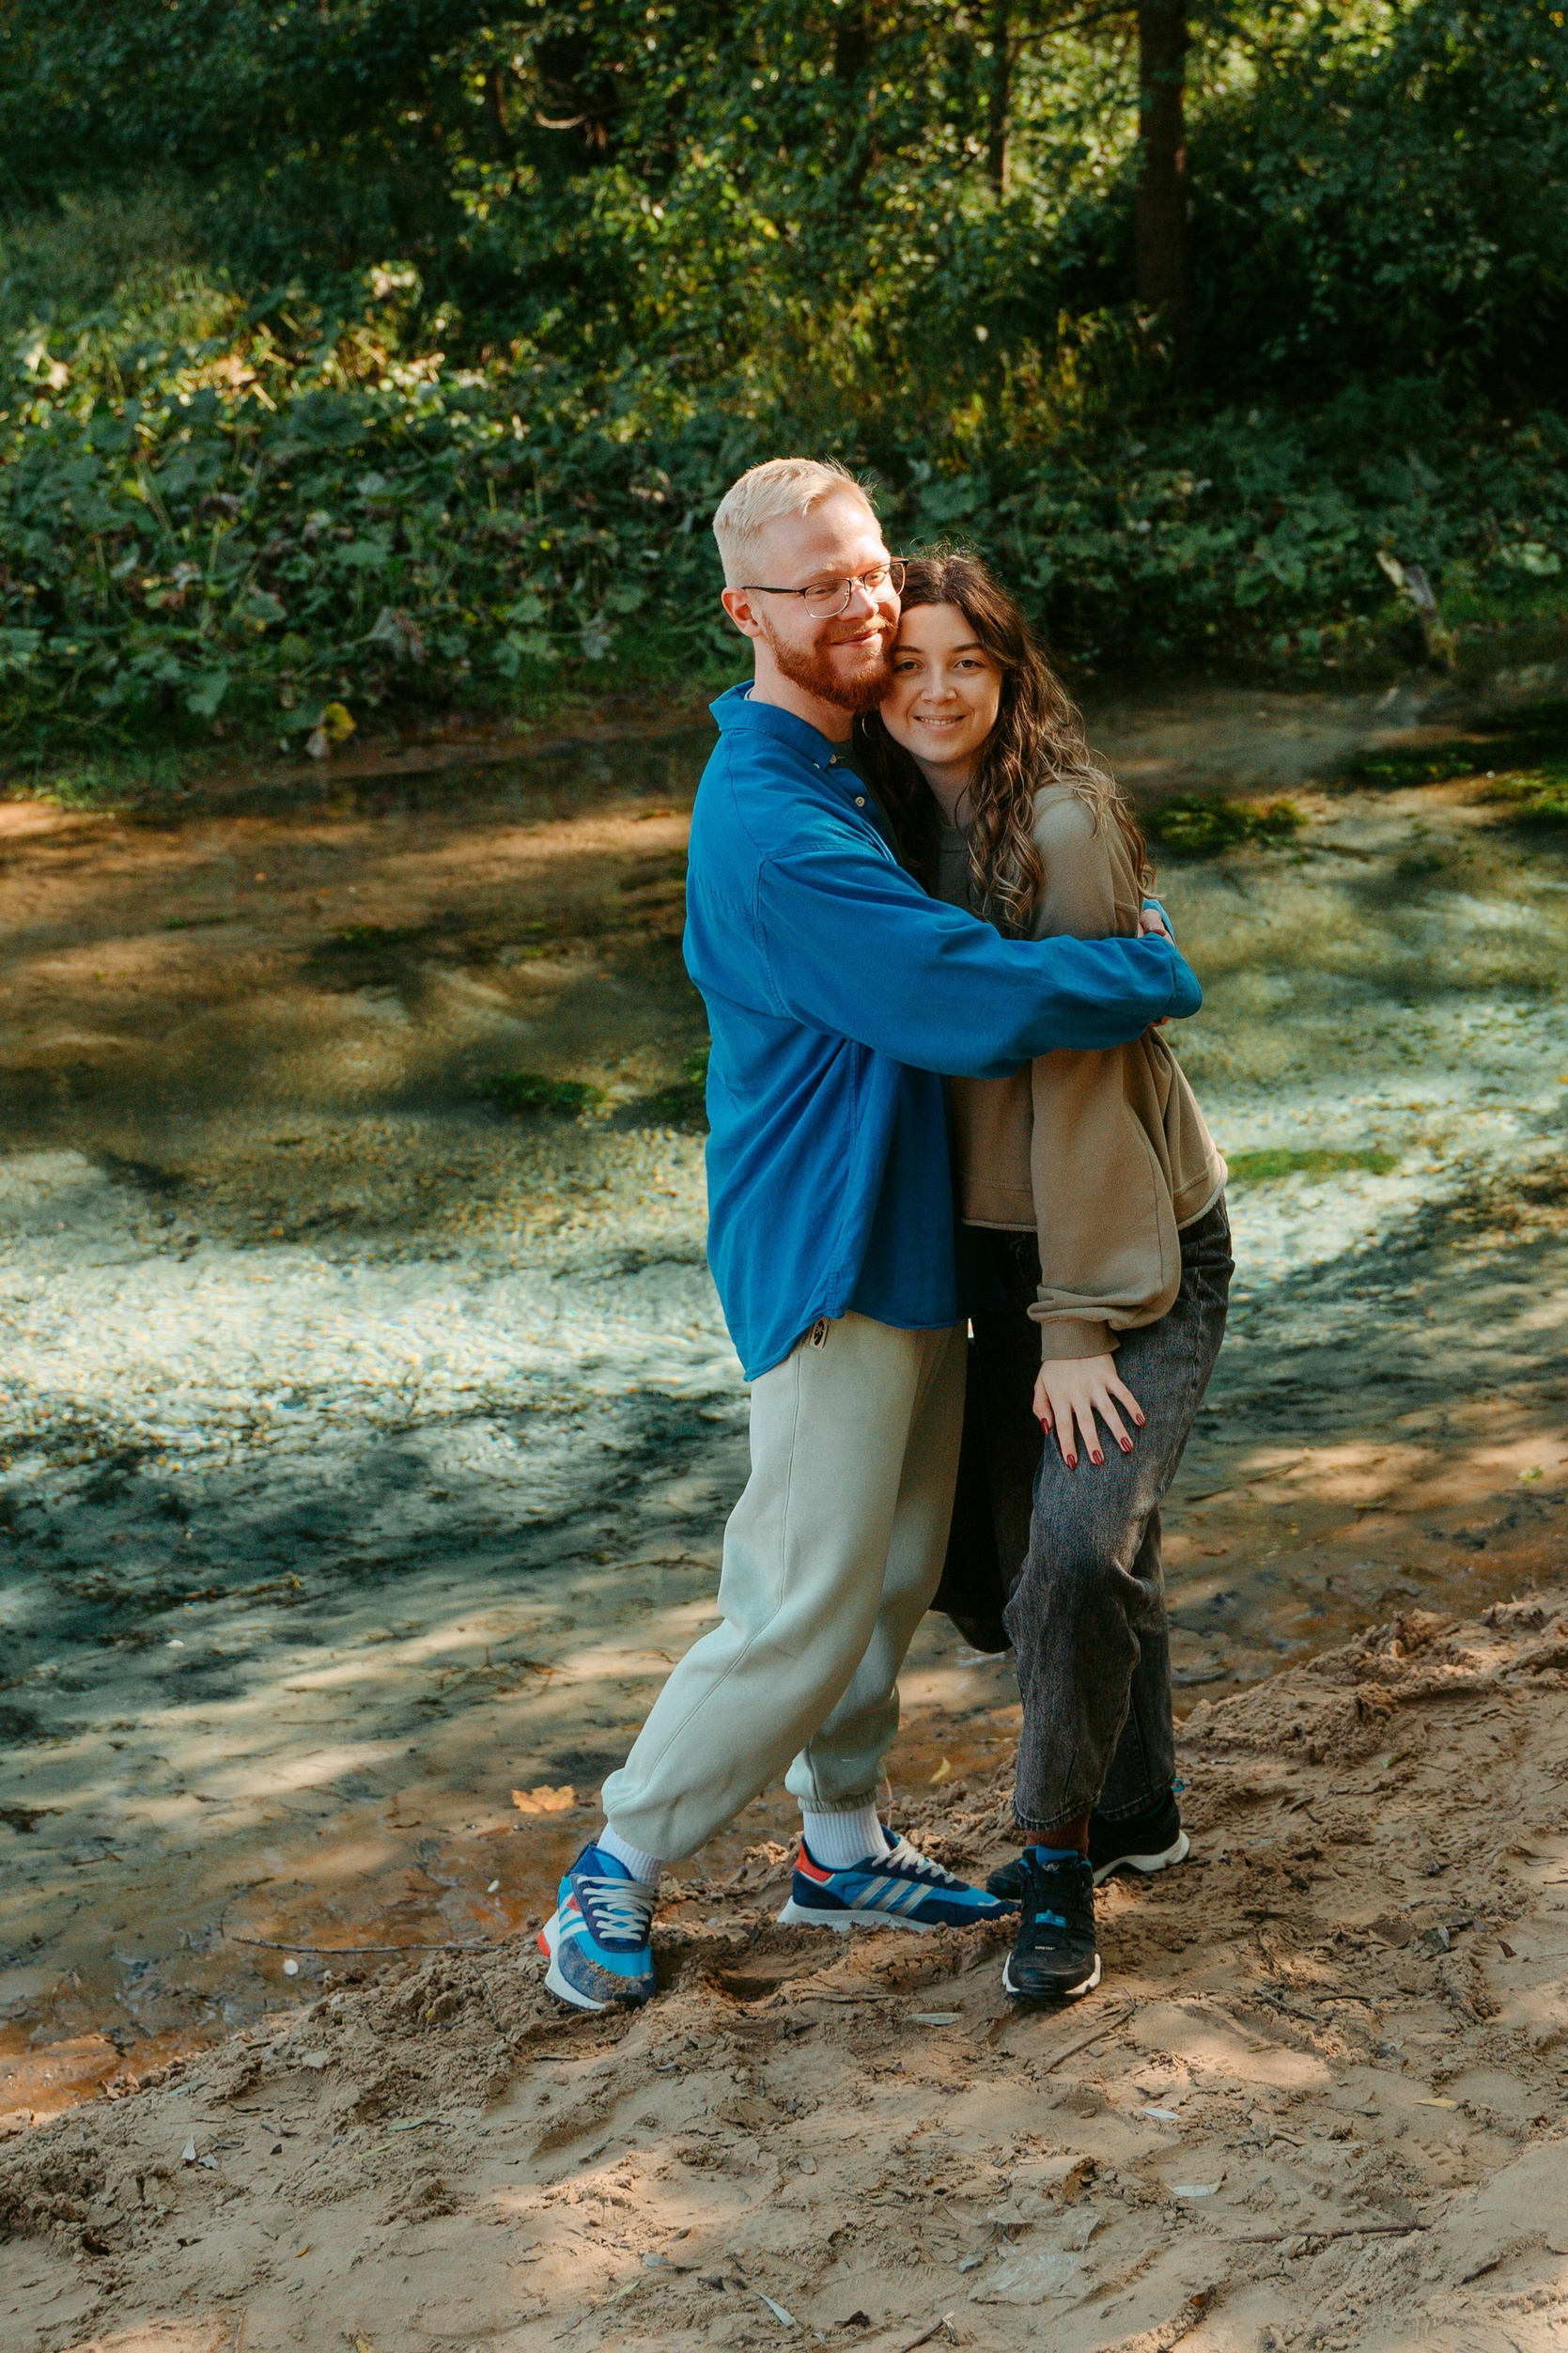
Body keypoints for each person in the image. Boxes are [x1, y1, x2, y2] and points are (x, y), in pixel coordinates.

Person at [539, 458, 1205, 2012]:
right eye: (814, 586)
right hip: (828, 1244)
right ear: (743, 611)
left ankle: (838, 1845)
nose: (857, 607)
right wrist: (1147, 975)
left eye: (869, 571)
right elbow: (954, 998)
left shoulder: (850, 759)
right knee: (806, 1586)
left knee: (896, 1564)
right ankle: (616, 1863)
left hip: (907, 1226)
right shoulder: (774, 819)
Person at [857, 552, 1230, 2007]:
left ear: (1011, 680)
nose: (937, 692)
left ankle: (1060, 1868)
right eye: (908, 667)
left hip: (1130, 1244)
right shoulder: (879, 825)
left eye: (969, 664)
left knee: (1073, 1548)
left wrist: (1071, 1327)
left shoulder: (1061, 827)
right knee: (1048, 1560)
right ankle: (1140, 1814)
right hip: (991, 1256)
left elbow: (1080, 1091)